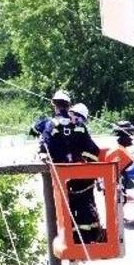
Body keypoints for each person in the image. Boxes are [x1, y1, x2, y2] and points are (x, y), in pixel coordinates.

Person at [31, 91, 103, 243]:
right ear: (68, 106)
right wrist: (86, 164)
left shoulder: (51, 125)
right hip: (81, 177)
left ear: (54, 105)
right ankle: (88, 236)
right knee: (84, 206)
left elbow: (45, 146)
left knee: (65, 208)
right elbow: (94, 151)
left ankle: (72, 238)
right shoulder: (79, 126)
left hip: (61, 178)